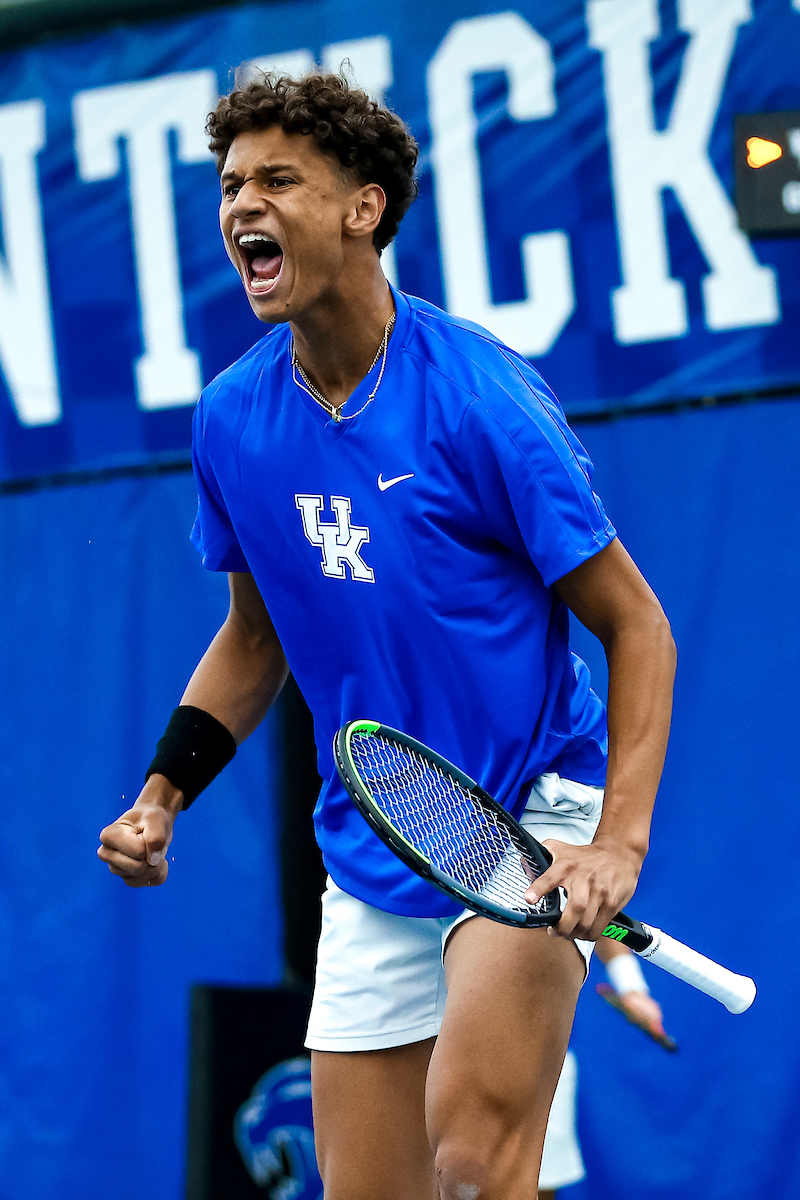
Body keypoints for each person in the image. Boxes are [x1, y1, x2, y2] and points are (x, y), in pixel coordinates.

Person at [98, 72, 676, 1199]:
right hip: (372, 848)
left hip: (525, 821)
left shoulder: (481, 397)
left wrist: (615, 844)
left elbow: (633, 623)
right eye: (228, 186)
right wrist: (162, 796)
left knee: (470, 1171)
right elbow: (254, 641)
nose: (240, 207)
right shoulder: (230, 417)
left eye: (277, 180)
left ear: (363, 207)